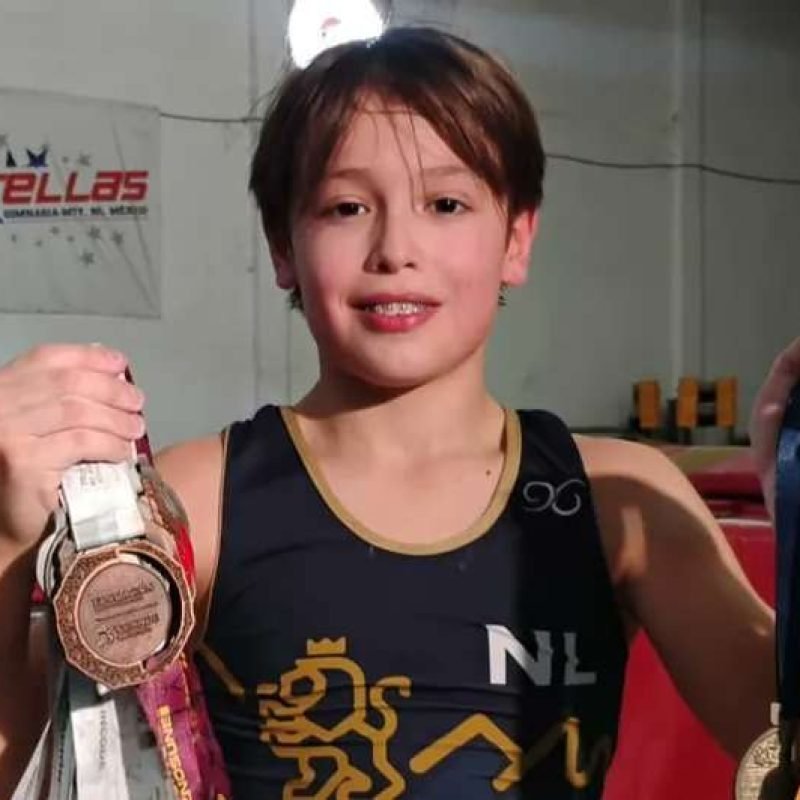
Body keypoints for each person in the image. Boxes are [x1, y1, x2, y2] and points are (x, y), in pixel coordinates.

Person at [0, 25, 795, 799]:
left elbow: (776, 742)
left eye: (446, 203)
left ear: (516, 237)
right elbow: (26, 765)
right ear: (283, 246)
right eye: (346, 208)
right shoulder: (198, 497)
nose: (395, 249)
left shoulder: (622, 499)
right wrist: (4, 534)